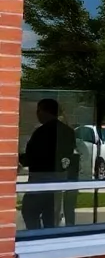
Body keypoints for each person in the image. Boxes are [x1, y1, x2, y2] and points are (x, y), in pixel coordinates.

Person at [20, 98, 80, 230]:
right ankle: (48, 238)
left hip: (40, 178)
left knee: (30, 211)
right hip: (59, 179)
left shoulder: (41, 133)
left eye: (39, 110)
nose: (37, 113)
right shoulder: (67, 131)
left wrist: (19, 158)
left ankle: (36, 237)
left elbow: (31, 157)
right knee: (52, 216)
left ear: (45, 111)